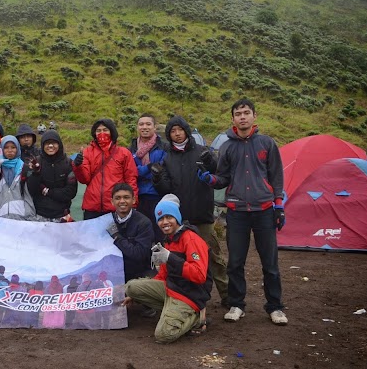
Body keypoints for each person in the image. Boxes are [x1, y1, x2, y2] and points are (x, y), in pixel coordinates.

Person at [198, 98, 288, 325]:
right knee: (235, 262)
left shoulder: (267, 143)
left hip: (264, 210)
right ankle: (237, 304)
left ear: (254, 116)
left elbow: (276, 176)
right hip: (237, 211)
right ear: (233, 119)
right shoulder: (227, 146)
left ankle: (275, 306)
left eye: (246, 112)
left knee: (270, 262)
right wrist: (210, 179)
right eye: (238, 114)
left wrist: (279, 206)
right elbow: (224, 178)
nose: (242, 117)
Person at [153, 115, 229, 307]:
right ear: (169, 135)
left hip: (202, 217)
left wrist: (211, 160)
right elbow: (166, 189)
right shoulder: (168, 157)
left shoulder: (202, 152)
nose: (177, 134)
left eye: (180, 129)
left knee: (213, 257)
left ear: (186, 131)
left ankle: (229, 296)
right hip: (181, 219)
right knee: (182, 260)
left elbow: (217, 172)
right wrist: (157, 178)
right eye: (172, 131)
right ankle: (188, 297)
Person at [123, 200, 212, 344]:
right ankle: (171, 311)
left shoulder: (191, 239)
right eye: (160, 219)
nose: (165, 222)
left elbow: (200, 276)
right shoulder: (169, 240)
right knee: (131, 287)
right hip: (171, 288)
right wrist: (137, 296)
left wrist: (171, 257)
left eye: (169, 217)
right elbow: (163, 274)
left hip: (189, 295)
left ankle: (197, 317)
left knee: (164, 335)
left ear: (177, 218)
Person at [72, 118, 138, 220]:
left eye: (105, 130)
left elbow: (131, 179)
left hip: (116, 207)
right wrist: (78, 166)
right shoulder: (87, 152)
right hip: (92, 207)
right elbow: (84, 179)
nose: (102, 133)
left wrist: (133, 203)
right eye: (98, 131)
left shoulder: (123, 153)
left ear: (112, 132)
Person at [129, 113, 168, 242]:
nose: (144, 127)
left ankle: (158, 261)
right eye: (141, 124)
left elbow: (161, 169)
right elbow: (131, 171)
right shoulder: (131, 148)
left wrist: (142, 170)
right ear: (137, 127)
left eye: (148, 124)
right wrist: (148, 167)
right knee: (140, 234)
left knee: (158, 233)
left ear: (155, 127)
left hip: (157, 195)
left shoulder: (163, 147)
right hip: (137, 197)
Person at [105, 183, 155, 282]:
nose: (122, 201)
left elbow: (139, 254)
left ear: (134, 200)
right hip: (112, 275)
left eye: (126, 197)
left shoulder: (144, 223)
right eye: (118, 198)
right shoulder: (106, 221)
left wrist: (116, 237)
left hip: (138, 276)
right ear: (112, 201)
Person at [26, 130, 77, 222]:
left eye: (53, 143)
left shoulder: (68, 163)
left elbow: (71, 192)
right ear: (42, 146)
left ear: (59, 144)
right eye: (47, 143)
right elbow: (32, 190)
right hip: (40, 215)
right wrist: (36, 173)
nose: (50, 146)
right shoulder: (36, 162)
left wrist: (47, 191)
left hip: (62, 215)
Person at [0, 135, 36, 220]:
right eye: (6, 148)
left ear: (17, 149)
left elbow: (29, 192)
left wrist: (29, 214)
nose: (10, 150)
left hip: (21, 217)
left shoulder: (24, 167)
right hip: (0, 217)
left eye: (13, 147)